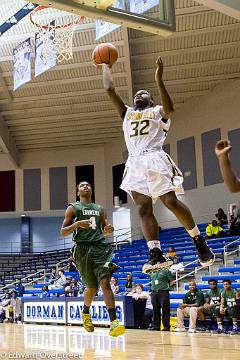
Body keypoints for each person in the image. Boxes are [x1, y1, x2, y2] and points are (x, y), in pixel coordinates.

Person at [102, 58, 214, 274]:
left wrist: (159, 79)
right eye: (136, 94)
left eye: (144, 93)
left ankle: (198, 240)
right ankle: (155, 253)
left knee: (170, 200)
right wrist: (105, 65)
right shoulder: (127, 113)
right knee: (143, 208)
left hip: (154, 158)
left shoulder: (157, 112)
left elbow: (170, 109)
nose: (138, 95)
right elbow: (109, 89)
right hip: (134, 162)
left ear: (152, 100)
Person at [61, 181, 125, 337]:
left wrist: (109, 229)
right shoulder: (73, 208)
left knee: (105, 282)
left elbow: (106, 228)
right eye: (82, 185)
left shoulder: (99, 209)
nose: (86, 186)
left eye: (88, 185)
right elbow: (63, 232)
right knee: (92, 288)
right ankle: (86, 312)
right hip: (82, 250)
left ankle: (114, 322)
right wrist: (76, 224)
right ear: (78, 192)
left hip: (100, 248)